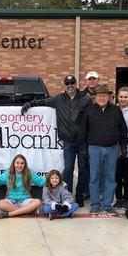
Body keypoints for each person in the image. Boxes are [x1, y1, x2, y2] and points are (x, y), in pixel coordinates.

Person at [21, 75, 90, 207]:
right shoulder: (59, 99)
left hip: (82, 141)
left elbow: (92, 117)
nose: (70, 85)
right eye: (67, 83)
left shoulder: (85, 98)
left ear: (76, 84)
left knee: (83, 169)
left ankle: (80, 195)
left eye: (72, 82)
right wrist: (29, 104)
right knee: (68, 169)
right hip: (68, 141)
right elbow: (43, 102)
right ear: (64, 85)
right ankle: (67, 194)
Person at [79, 84, 128, 215]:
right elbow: (83, 130)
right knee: (94, 177)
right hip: (94, 149)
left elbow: (123, 130)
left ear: (109, 97)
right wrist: (84, 148)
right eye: (99, 95)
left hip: (112, 149)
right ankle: (95, 204)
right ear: (95, 97)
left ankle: (107, 204)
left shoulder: (116, 111)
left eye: (104, 95)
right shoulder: (89, 110)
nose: (102, 98)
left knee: (110, 178)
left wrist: (123, 147)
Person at [0, 154, 44, 218]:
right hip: (11, 200)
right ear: (14, 164)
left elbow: (41, 181)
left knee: (37, 202)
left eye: (22, 163)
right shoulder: (8, 173)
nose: (19, 165)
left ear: (25, 164)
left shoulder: (29, 173)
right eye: (17, 163)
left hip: (25, 200)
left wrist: (53, 181)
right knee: (0, 204)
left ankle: (9, 214)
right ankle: (29, 211)